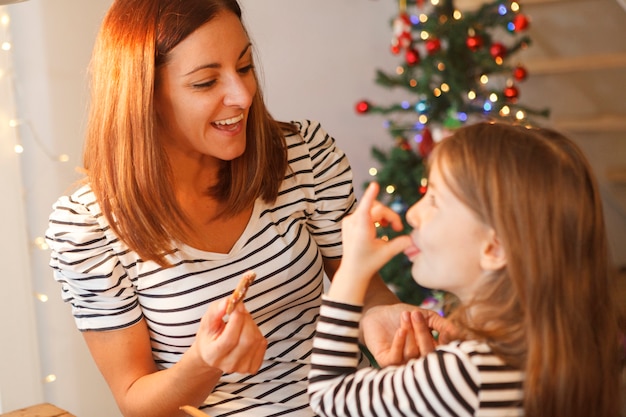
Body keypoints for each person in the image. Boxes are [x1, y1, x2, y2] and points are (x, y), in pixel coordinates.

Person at [45, 1, 408, 416]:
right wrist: (203, 362)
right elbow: (135, 402)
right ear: (144, 95)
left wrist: (379, 313)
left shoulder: (305, 153)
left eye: (245, 66)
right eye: (205, 82)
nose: (242, 96)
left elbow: (362, 286)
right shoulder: (85, 227)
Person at [307, 122, 624, 417]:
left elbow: (327, 395)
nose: (414, 214)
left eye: (434, 200)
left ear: (495, 247)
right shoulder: (557, 349)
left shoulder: (466, 373)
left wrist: (351, 271)